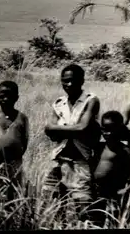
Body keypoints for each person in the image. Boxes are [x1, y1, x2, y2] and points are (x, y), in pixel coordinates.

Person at [42, 64, 101, 219]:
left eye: (72, 80)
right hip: (58, 160)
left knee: (83, 208)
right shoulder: (59, 103)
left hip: (80, 161)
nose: (68, 84)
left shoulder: (90, 100)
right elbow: (48, 130)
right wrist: (72, 129)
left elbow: (83, 127)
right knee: (54, 205)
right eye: (65, 81)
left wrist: (59, 129)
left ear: (81, 81)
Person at [0, 80, 30, 201]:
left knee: (13, 193)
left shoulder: (22, 118)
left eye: (9, 96)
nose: (5, 99)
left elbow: (25, 141)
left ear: (16, 98)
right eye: (2, 96)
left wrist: (14, 154)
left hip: (14, 163)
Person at [92, 111, 130, 227]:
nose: (106, 133)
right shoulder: (98, 147)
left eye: (110, 129)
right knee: (96, 221)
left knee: (113, 221)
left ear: (119, 129)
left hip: (114, 194)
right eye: (104, 129)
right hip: (97, 192)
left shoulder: (123, 151)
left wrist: (127, 189)